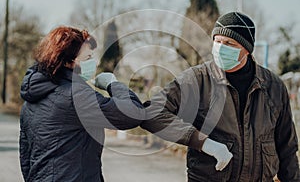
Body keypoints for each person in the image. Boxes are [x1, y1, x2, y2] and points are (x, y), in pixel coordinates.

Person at [19, 26, 232, 182]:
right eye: (87, 58)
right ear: (67, 61)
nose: (93, 62)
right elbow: (131, 114)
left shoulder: (32, 97)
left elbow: (26, 155)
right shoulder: (75, 95)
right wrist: (113, 85)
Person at [139, 12, 300, 181]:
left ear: (246, 49)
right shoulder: (196, 80)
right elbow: (151, 112)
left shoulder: (273, 86)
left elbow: (287, 148)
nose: (221, 48)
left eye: (229, 43)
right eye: (217, 41)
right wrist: (203, 142)